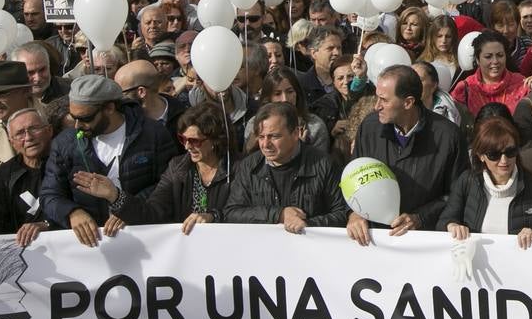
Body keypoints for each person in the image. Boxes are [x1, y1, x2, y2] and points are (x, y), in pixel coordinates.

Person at [40, 75, 178, 248]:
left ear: (109, 108)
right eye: (73, 117)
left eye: (85, 118)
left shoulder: (153, 133)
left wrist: (126, 207)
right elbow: (49, 194)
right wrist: (72, 213)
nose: (77, 126)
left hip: (146, 240)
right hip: (92, 248)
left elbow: (167, 185)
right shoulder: (64, 143)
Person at [343, 64, 469, 245]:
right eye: (376, 98)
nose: (377, 106)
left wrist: (420, 218)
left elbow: (458, 192)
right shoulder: (369, 128)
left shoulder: (448, 136)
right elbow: (353, 178)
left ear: (408, 102)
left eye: (384, 100)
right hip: (375, 241)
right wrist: (354, 213)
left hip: (423, 242)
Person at [107, 102, 234, 235]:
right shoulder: (177, 168)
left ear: (215, 139)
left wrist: (213, 217)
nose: (187, 146)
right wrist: (116, 197)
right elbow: (153, 212)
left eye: (195, 141)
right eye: (183, 139)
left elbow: (242, 213)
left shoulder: (239, 168)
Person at [223, 102, 339, 232]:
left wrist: (306, 224)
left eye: (274, 136)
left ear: (295, 133)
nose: (265, 144)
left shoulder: (324, 164)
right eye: (261, 137)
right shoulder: (249, 166)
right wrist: (279, 215)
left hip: (309, 248)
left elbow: (342, 213)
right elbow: (232, 213)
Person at [439, 116, 532, 247]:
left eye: (510, 152)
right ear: (481, 156)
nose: (504, 160)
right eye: (494, 154)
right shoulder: (467, 181)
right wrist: (452, 226)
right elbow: (445, 220)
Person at [0, 108, 55, 247]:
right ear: (12, 142)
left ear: (49, 131)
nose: (28, 138)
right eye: (20, 133)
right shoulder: (5, 173)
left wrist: (48, 225)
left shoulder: (66, 164)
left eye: (34, 129)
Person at [450, 30, 528, 118]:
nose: (495, 61)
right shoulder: (465, 89)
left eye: (500, 55)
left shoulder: (522, 84)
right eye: (488, 57)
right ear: (477, 59)